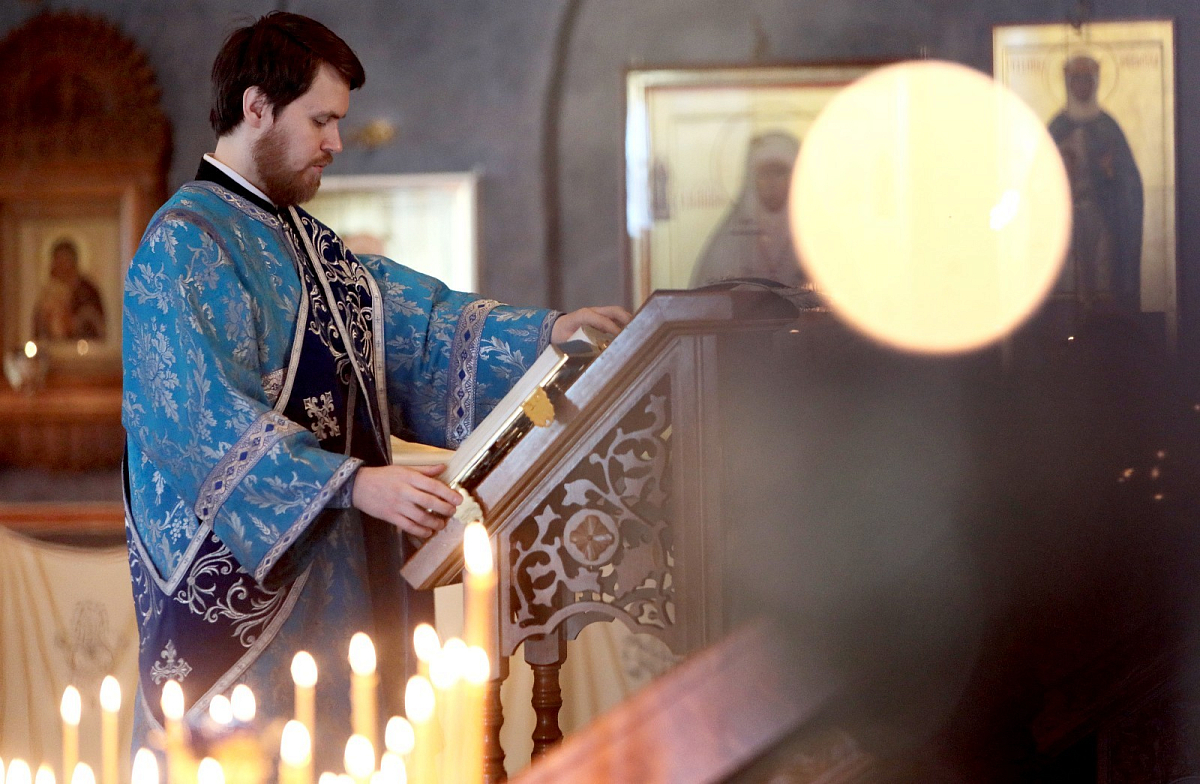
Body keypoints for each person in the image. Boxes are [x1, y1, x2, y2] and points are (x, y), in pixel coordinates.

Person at [121, 11, 629, 766]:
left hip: (339, 584)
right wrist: (355, 485)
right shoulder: (184, 242)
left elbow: (420, 337)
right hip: (238, 609)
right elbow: (196, 420)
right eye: (321, 120)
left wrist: (550, 333)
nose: (336, 142)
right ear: (256, 107)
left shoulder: (313, 247)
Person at [1047, 54, 1144, 320]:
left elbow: (1129, 182)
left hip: (1103, 214)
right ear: (1068, 84)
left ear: (1096, 83)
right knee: (1071, 272)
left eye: (1087, 79)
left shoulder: (1107, 127)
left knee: (1104, 270)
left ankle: (1104, 321)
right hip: (1066, 217)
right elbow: (1040, 177)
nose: (1082, 85)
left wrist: (1111, 173)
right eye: (1076, 80)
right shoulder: (1057, 127)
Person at [689, 131, 808, 290]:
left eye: (779, 172)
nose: (771, 183)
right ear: (751, 178)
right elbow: (707, 297)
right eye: (764, 173)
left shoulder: (812, 232)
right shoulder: (730, 239)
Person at [32, 239, 106, 341]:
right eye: (57, 261)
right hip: (53, 347)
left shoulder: (87, 291)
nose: (61, 267)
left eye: (65, 261)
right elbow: (39, 329)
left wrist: (72, 323)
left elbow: (96, 325)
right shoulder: (48, 292)